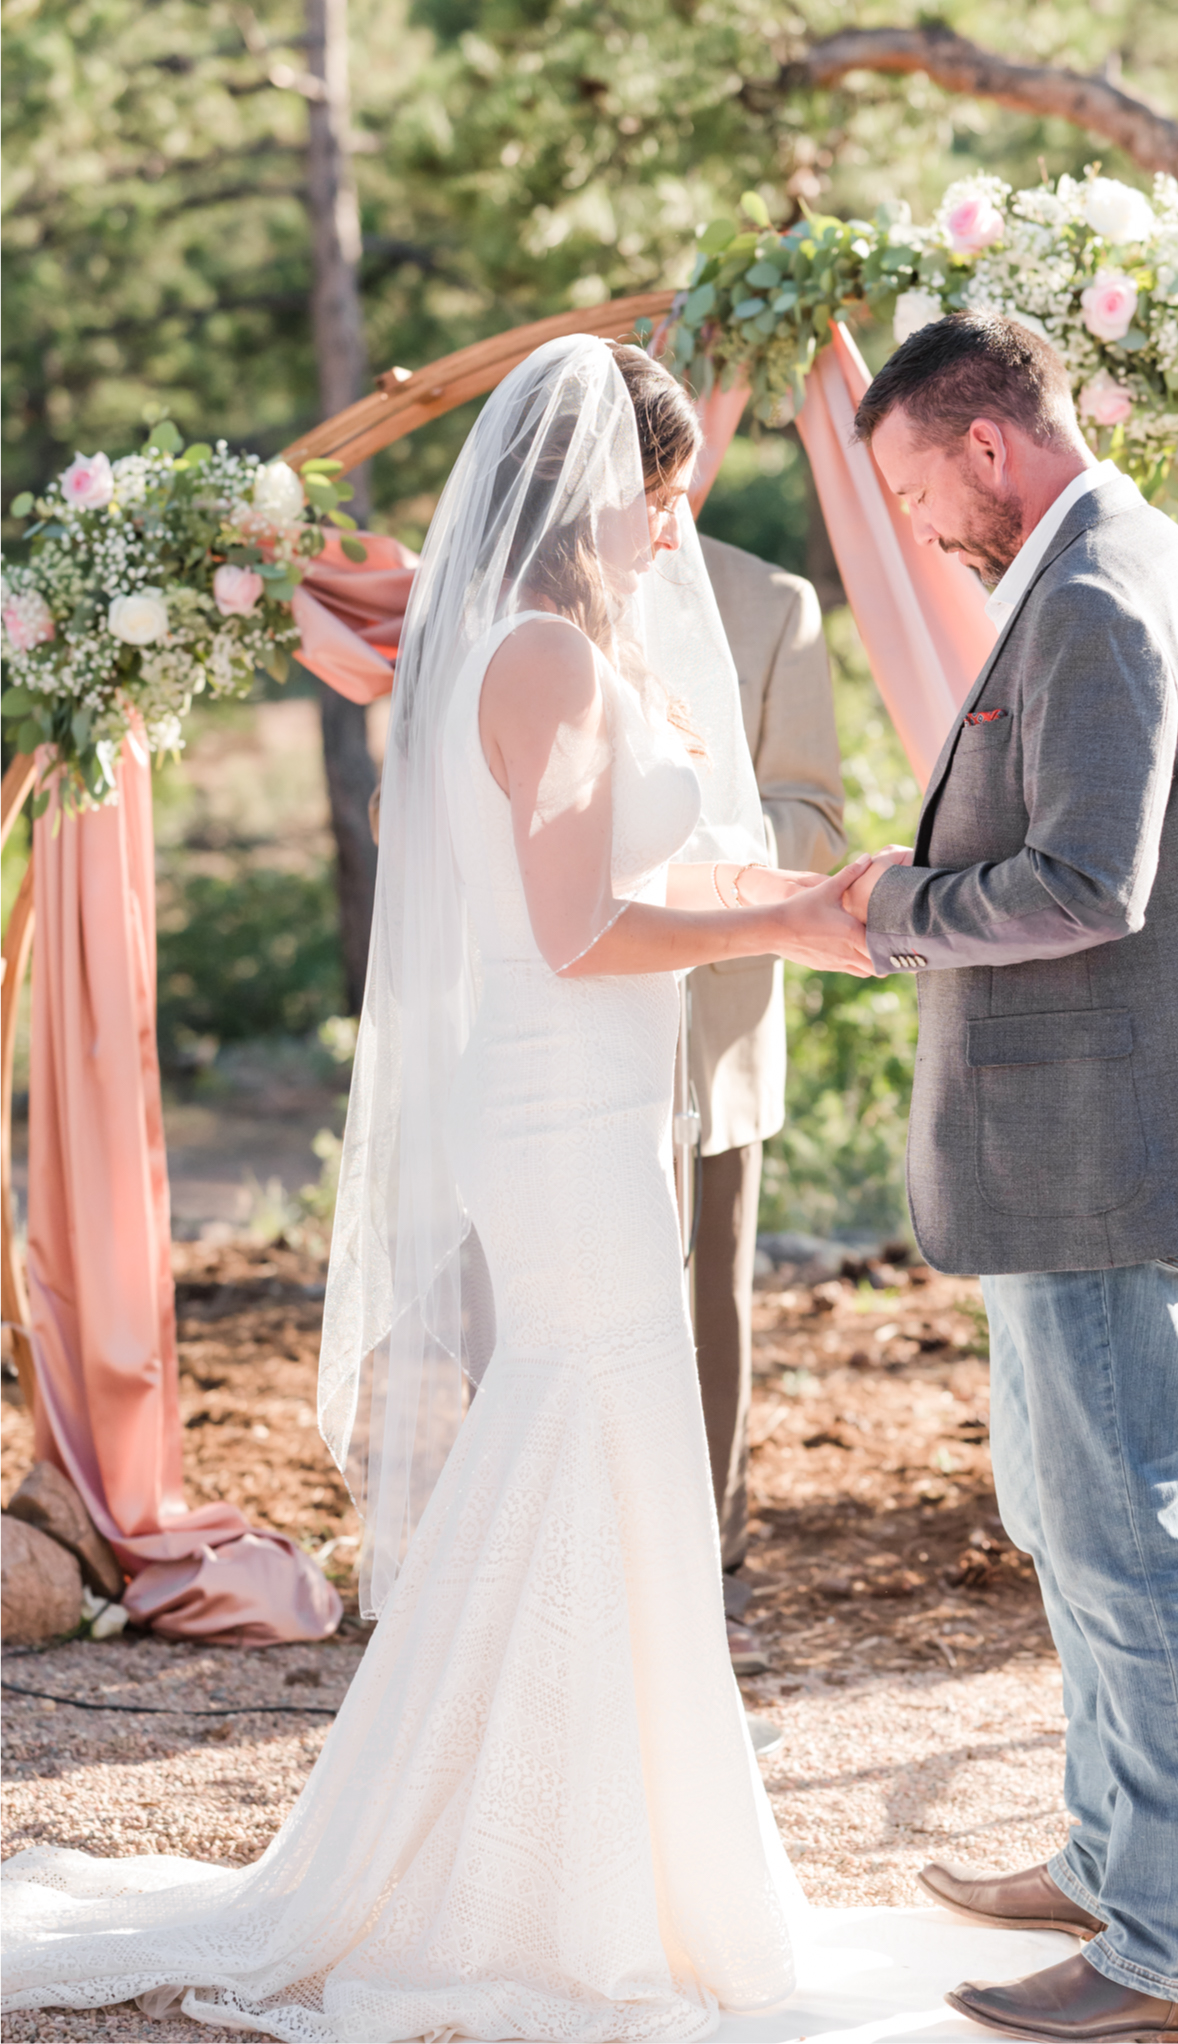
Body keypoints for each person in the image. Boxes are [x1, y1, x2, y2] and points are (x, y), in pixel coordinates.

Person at [0, 337, 875, 2041]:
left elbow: (640, 865)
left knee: (597, 1444)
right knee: (592, 1432)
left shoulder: (583, 648)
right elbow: (574, 932)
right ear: (596, 489)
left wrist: (809, 897)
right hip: (554, 1116)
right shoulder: (538, 658)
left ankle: (587, 1842)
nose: (676, 524)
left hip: (602, 1101)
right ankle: (526, 1866)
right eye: (665, 490)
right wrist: (774, 923)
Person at [841, 310, 1178, 2042]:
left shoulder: (1100, 593)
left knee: (1129, 1548)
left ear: (986, 445)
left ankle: (1166, 1952)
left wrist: (893, 909)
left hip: (1105, 1155)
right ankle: (1115, 1855)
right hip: (1099, 1142)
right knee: (1073, 1518)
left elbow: (1087, 886)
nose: (918, 526)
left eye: (912, 489)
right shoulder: (1132, 556)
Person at [691, 532, 846, 1670]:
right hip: (544, 1035)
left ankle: (705, 1569)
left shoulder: (769, 602)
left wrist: (678, 837)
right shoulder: (508, 575)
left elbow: (817, 825)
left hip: (710, 1026)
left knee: (705, 1305)